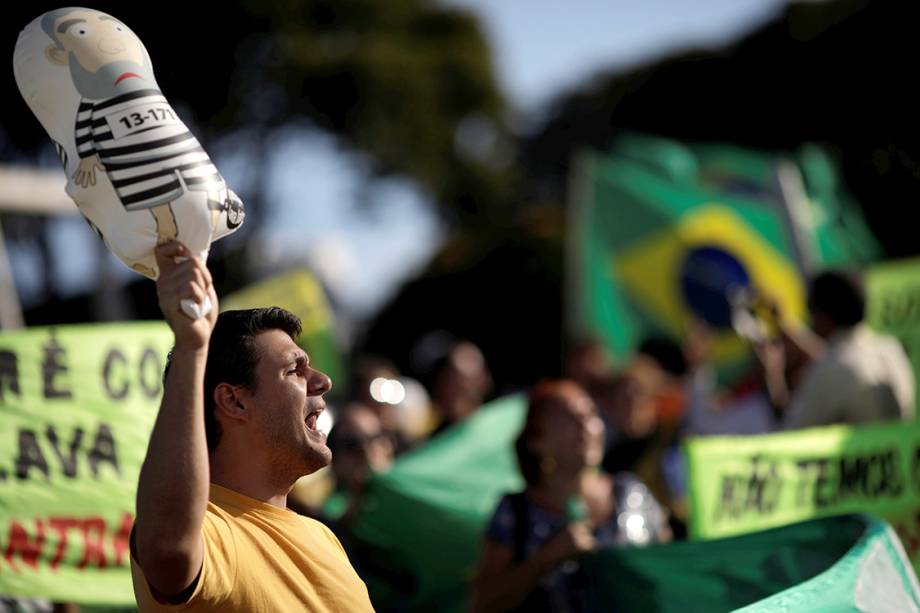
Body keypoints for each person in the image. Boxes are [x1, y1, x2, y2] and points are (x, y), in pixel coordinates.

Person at [130, 241, 374, 611]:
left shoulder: (323, 537)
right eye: (295, 369)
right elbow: (168, 548)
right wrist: (192, 345)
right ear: (234, 400)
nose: (323, 381)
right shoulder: (212, 534)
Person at [472, 380, 670, 613]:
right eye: (568, 417)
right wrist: (544, 560)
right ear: (537, 441)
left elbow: (670, 573)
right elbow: (481, 603)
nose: (586, 425)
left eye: (591, 414)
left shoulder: (632, 495)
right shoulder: (516, 512)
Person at [759, 270, 915, 428]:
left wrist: (773, 375)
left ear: (822, 317)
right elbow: (837, 354)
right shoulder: (890, 348)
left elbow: (791, 429)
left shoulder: (829, 370)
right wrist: (785, 324)